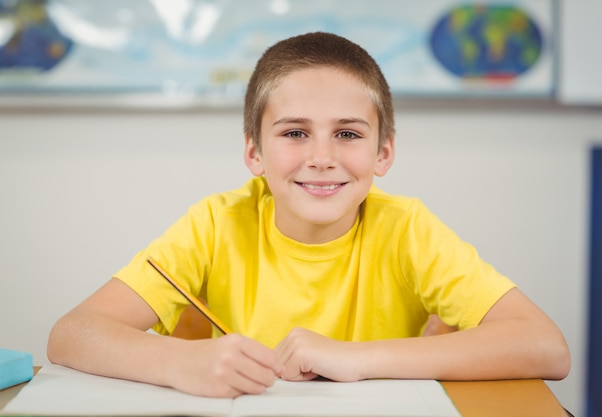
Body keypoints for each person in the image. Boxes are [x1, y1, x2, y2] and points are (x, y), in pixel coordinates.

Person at [47, 31, 570, 398]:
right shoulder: (214, 224)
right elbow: (72, 334)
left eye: (347, 133)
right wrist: (180, 362)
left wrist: (356, 358)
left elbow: (545, 347)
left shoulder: (407, 229)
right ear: (254, 152)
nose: (322, 157)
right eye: (295, 132)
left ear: (383, 153)